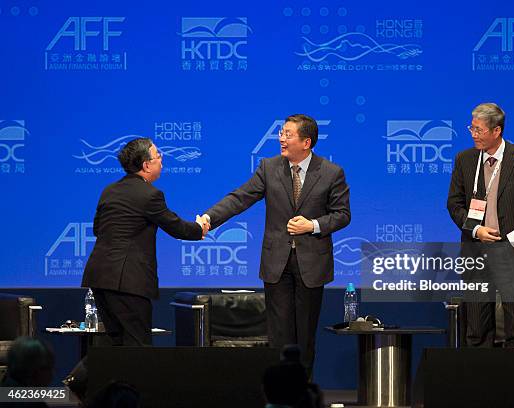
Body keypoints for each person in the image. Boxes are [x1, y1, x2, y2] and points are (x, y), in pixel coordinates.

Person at [202, 114, 351, 374]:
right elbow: (240, 198)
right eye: (281, 133)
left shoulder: (330, 172)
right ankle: (282, 393)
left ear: (306, 142)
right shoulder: (269, 168)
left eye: (288, 134)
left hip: (312, 264)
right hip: (277, 264)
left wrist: (312, 225)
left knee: (304, 337)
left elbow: (342, 215)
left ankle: (302, 394)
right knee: (280, 336)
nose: (281, 138)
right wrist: (209, 218)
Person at [81, 137, 208, 346]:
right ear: (146, 165)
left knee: (115, 344)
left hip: (99, 278)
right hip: (127, 282)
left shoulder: (109, 190)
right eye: (158, 156)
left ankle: (77, 380)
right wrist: (199, 229)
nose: (162, 160)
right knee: (137, 347)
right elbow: (175, 226)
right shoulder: (150, 195)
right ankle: (77, 380)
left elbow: (98, 229)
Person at [447, 103, 514, 347]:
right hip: (476, 251)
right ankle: (479, 384)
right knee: (476, 330)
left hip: (512, 252)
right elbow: (454, 203)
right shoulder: (465, 159)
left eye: (478, 130)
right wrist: (475, 229)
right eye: (471, 128)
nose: (473, 134)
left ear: (496, 131)